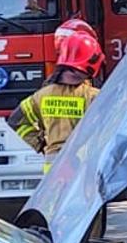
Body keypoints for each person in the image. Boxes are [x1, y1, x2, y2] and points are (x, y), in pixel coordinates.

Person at [7, 30, 103, 166]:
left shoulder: (42, 95)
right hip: (82, 167)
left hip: (52, 169)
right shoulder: (93, 96)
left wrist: (40, 143)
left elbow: (15, 120)